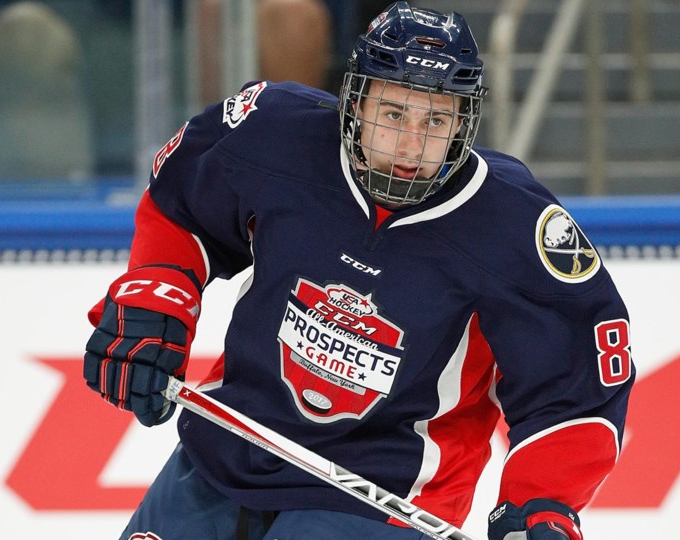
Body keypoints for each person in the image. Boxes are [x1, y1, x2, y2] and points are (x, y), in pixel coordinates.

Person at [83, 3, 634, 539]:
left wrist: (542, 499)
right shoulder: (278, 135)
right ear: (355, 101)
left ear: (465, 122)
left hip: (382, 497)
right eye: (394, 114)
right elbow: (182, 206)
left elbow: (577, 385)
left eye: (437, 120)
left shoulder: (516, 227)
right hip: (225, 448)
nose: (412, 145)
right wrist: (157, 299)